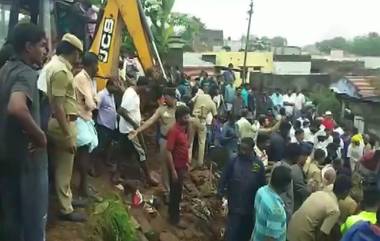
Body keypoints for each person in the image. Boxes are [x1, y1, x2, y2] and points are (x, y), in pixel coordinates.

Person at [0, 23, 48, 241]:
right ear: (28, 47)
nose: (45, 51)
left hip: (6, 155)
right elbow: (16, 106)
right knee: (33, 222)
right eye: (42, 46)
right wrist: (40, 136)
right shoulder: (26, 73)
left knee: (11, 220)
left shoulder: (5, 68)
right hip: (26, 161)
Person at [46, 34, 87, 222]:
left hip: (60, 122)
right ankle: (66, 209)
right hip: (63, 123)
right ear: (75, 52)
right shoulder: (62, 71)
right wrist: (68, 134)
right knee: (64, 168)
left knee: (60, 165)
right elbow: (58, 105)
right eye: (79, 53)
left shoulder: (55, 65)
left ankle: (66, 198)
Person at [129, 88, 177, 194]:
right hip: (165, 141)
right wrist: (137, 131)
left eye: (166, 97)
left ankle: (176, 189)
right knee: (164, 166)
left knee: (176, 166)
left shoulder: (180, 108)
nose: (164, 99)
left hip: (177, 142)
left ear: (172, 97)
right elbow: (150, 121)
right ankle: (166, 190)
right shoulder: (161, 110)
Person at [218, 137, 266, 241]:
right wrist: (221, 195)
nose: (242, 151)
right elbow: (223, 178)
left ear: (252, 149)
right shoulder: (233, 160)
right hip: (235, 205)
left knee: (245, 234)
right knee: (232, 234)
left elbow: (262, 185)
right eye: (241, 148)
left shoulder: (257, 164)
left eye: (245, 149)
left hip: (250, 207)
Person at [118, 77, 158, 186]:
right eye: (147, 87)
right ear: (142, 86)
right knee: (141, 153)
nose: (147, 90)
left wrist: (139, 121)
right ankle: (148, 177)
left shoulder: (134, 92)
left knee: (126, 152)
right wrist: (134, 124)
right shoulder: (131, 95)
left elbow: (132, 110)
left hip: (131, 128)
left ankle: (121, 174)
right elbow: (121, 111)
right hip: (130, 130)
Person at [287, 175, 352, 241]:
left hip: (289, 231)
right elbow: (322, 236)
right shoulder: (335, 210)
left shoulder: (319, 193)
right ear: (345, 191)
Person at [73, 52, 99, 198]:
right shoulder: (82, 78)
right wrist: (94, 103)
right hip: (79, 117)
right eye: (97, 65)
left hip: (85, 118)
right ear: (90, 65)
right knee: (83, 153)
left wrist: (94, 103)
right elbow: (91, 103)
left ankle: (83, 185)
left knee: (87, 152)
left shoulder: (89, 79)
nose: (98, 68)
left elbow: (94, 100)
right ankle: (82, 188)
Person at [166, 105, 191, 228]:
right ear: (180, 117)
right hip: (176, 167)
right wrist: (173, 171)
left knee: (177, 191)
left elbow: (184, 147)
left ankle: (172, 214)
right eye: (186, 116)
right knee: (176, 193)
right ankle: (174, 219)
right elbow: (168, 151)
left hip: (181, 166)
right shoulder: (174, 131)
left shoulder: (183, 129)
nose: (188, 118)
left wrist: (186, 162)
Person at [252, 165, 291, 241]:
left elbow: (256, 218)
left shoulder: (261, 191)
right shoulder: (276, 211)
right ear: (285, 186)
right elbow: (271, 239)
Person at [189, 86, 217, 168]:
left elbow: (190, 102)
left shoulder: (199, 96)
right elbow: (215, 117)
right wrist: (212, 125)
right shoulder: (212, 103)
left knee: (190, 141)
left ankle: (188, 160)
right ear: (213, 95)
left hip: (193, 118)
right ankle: (200, 163)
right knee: (202, 142)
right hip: (202, 121)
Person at [95, 80, 119, 166]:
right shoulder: (101, 94)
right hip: (103, 125)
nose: (116, 89)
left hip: (111, 126)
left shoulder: (112, 95)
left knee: (108, 145)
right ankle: (94, 167)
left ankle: (105, 161)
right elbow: (96, 109)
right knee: (99, 147)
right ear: (109, 86)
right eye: (115, 86)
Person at [291, 143, 312, 211]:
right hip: (295, 204)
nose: (306, 161)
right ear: (301, 156)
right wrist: (310, 188)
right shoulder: (295, 170)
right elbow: (302, 190)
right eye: (305, 158)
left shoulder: (298, 168)